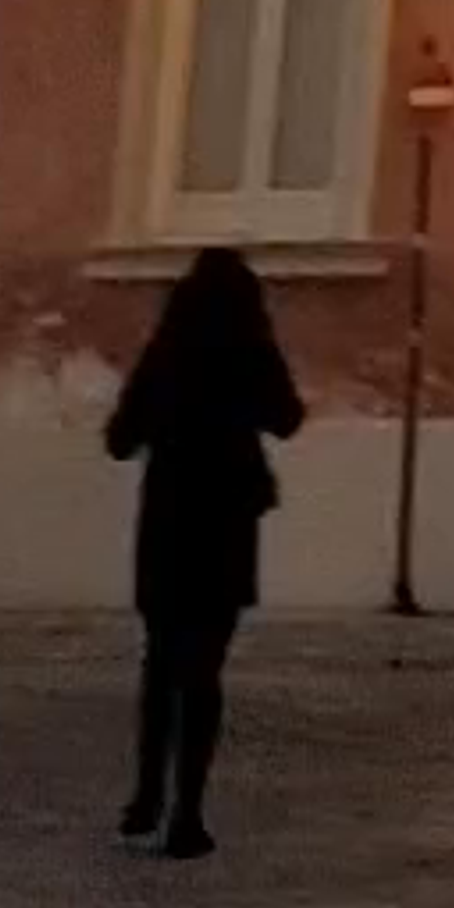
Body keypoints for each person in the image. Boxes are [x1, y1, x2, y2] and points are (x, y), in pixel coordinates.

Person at [104, 249, 302, 856]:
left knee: (160, 663)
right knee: (204, 670)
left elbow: (119, 439)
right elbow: (288, 418)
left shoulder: (166, 354)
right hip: (226, 520)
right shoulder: (251, 351)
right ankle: (188, 813)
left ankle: (145, 798)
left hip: (167, 520)